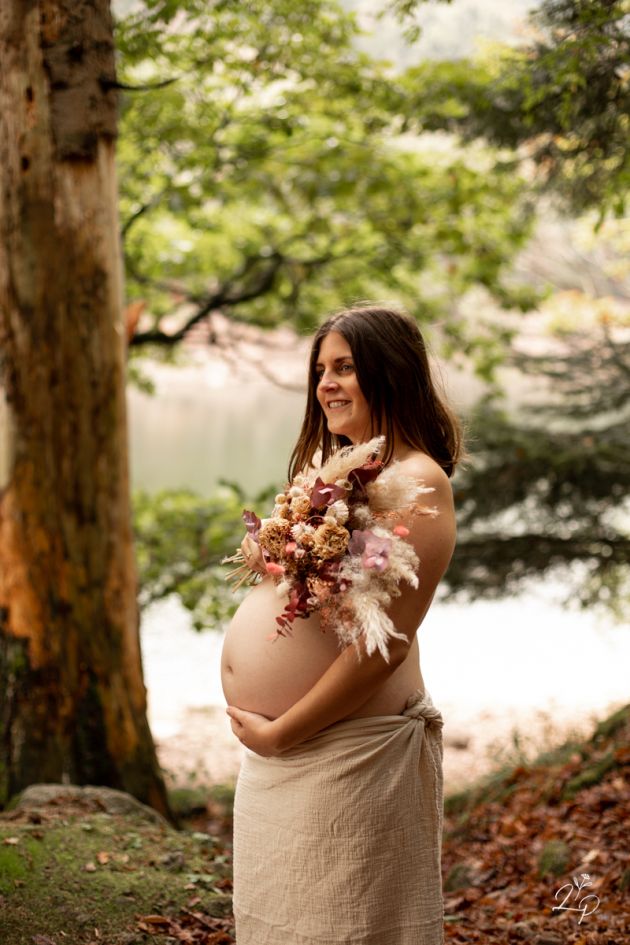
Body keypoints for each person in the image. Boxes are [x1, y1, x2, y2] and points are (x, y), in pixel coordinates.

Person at [221, 304, 461, 945]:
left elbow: (381, 646)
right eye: (321, 369)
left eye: (346, 368)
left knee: (345, 927)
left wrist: (282, 734)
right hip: (293, 761)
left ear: (391, 374)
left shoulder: (418, 482)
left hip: (345, 757)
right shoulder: (349, 473)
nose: (325, 383)